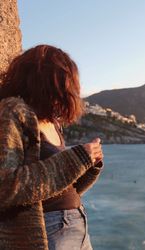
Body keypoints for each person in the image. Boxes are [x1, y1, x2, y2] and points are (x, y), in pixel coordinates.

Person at [0, 44, 104, 250]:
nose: (68, 92)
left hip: (77, 226)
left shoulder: (52, 122)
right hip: (50, 231)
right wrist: (76, 159)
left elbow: (53, 186)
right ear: (43, 80)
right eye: (64, 84)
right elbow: (5, 185)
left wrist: (88, 165)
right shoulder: (13, 111)